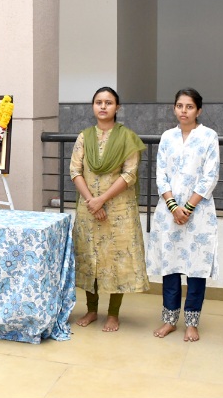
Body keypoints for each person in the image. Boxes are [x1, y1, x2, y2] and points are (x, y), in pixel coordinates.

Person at [69, 87, 148, 332]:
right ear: (93, 106)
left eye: (109, 102)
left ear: (117, 107)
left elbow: (129, 174)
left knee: (116, 258)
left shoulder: (128, 138)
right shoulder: (84, 137)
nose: (103, 106)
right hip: (88, 208)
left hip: (118, 209)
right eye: (99, 102)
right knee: (89, 257)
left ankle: (113, 314)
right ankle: (92, 310)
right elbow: (75, 171)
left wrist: (101, 200)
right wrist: (92, 202)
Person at [147, 88, 220, 342]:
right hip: (169, 212)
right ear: (174, 108)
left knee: (196, 268)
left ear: (198, 110)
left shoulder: (209, 136)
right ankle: (169, 320)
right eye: (179, 106)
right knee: (170, 265)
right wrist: (173, 206)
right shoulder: (167, 137)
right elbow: (161, 175)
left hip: (198, 213)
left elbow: (210, 176)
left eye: (189, 107)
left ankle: (192, 322)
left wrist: (187, 208)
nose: (184, 111)